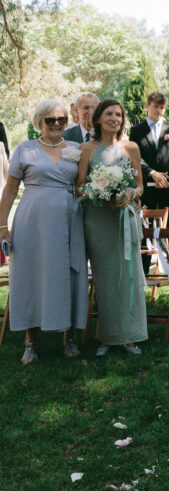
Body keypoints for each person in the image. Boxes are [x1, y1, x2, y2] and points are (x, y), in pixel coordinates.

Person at [0, 99, 88, 363]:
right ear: (39, 122)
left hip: (69, 219)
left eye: (62, 119)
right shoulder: (25, 149)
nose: (57, 124)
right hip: (33, 221)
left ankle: (69, 338)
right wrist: (3, 225)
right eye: (51, 120)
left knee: (70, 272)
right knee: (30, 274)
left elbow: (82, 185)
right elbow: (11, 189)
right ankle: (31, 341)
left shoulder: (74, 148)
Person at [76, 99, 147, 356]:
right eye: (108, 114)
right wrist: (99, 193)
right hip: (98, 221)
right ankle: (107, 337)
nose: (114, 118)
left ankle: (130, 335)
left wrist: (131, 193)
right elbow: (80, 185)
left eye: (118, 114)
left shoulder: (131, 148)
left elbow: (140, 184)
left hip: (124, 219)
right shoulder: (86, 149)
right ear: (97, 118)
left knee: (128, 276)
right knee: (105, 279)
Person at [129, 92, 169, 229]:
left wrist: (165, 177)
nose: (159, 110)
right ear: (147, 106)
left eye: (162, 107)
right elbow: (134, 157)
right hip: (146, 186)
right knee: (147, 228)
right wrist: (152, 173)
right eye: (156, 106)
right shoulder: (136, 131)